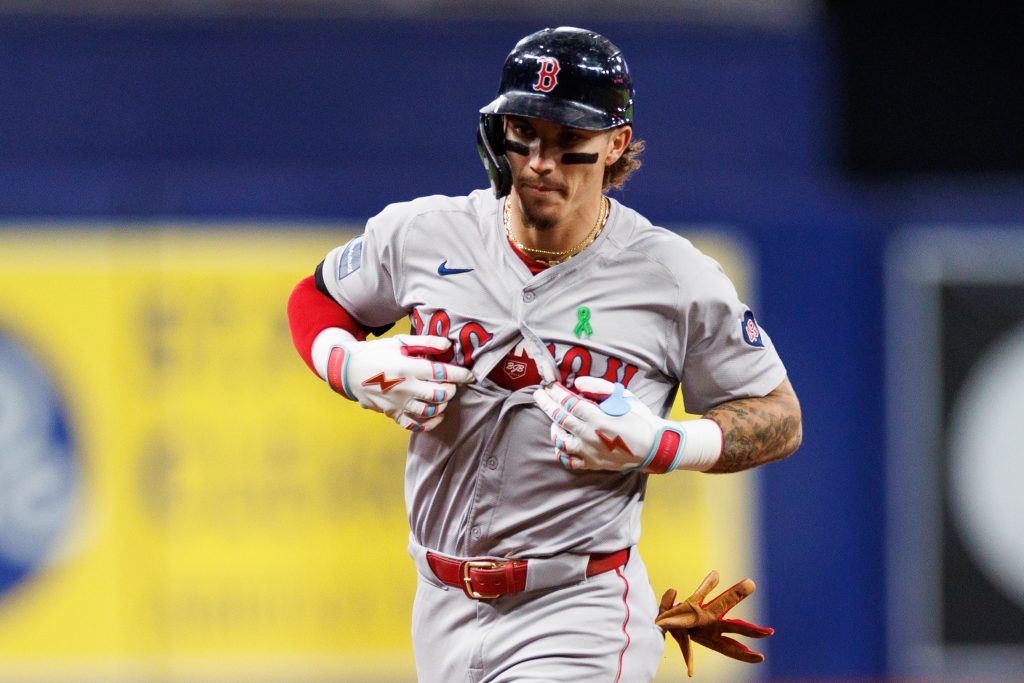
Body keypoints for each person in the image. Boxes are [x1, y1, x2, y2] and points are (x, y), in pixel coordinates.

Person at [287, 26, 802, 682]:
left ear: (616, 144)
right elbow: (316, 299)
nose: (539, 162)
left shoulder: (672, 275)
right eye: (525, 135)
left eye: (567, 143)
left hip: (576, 605)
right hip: (440, 600)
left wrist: (665, 443)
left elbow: (780, 415)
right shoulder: (424, 234)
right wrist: (349, 364)